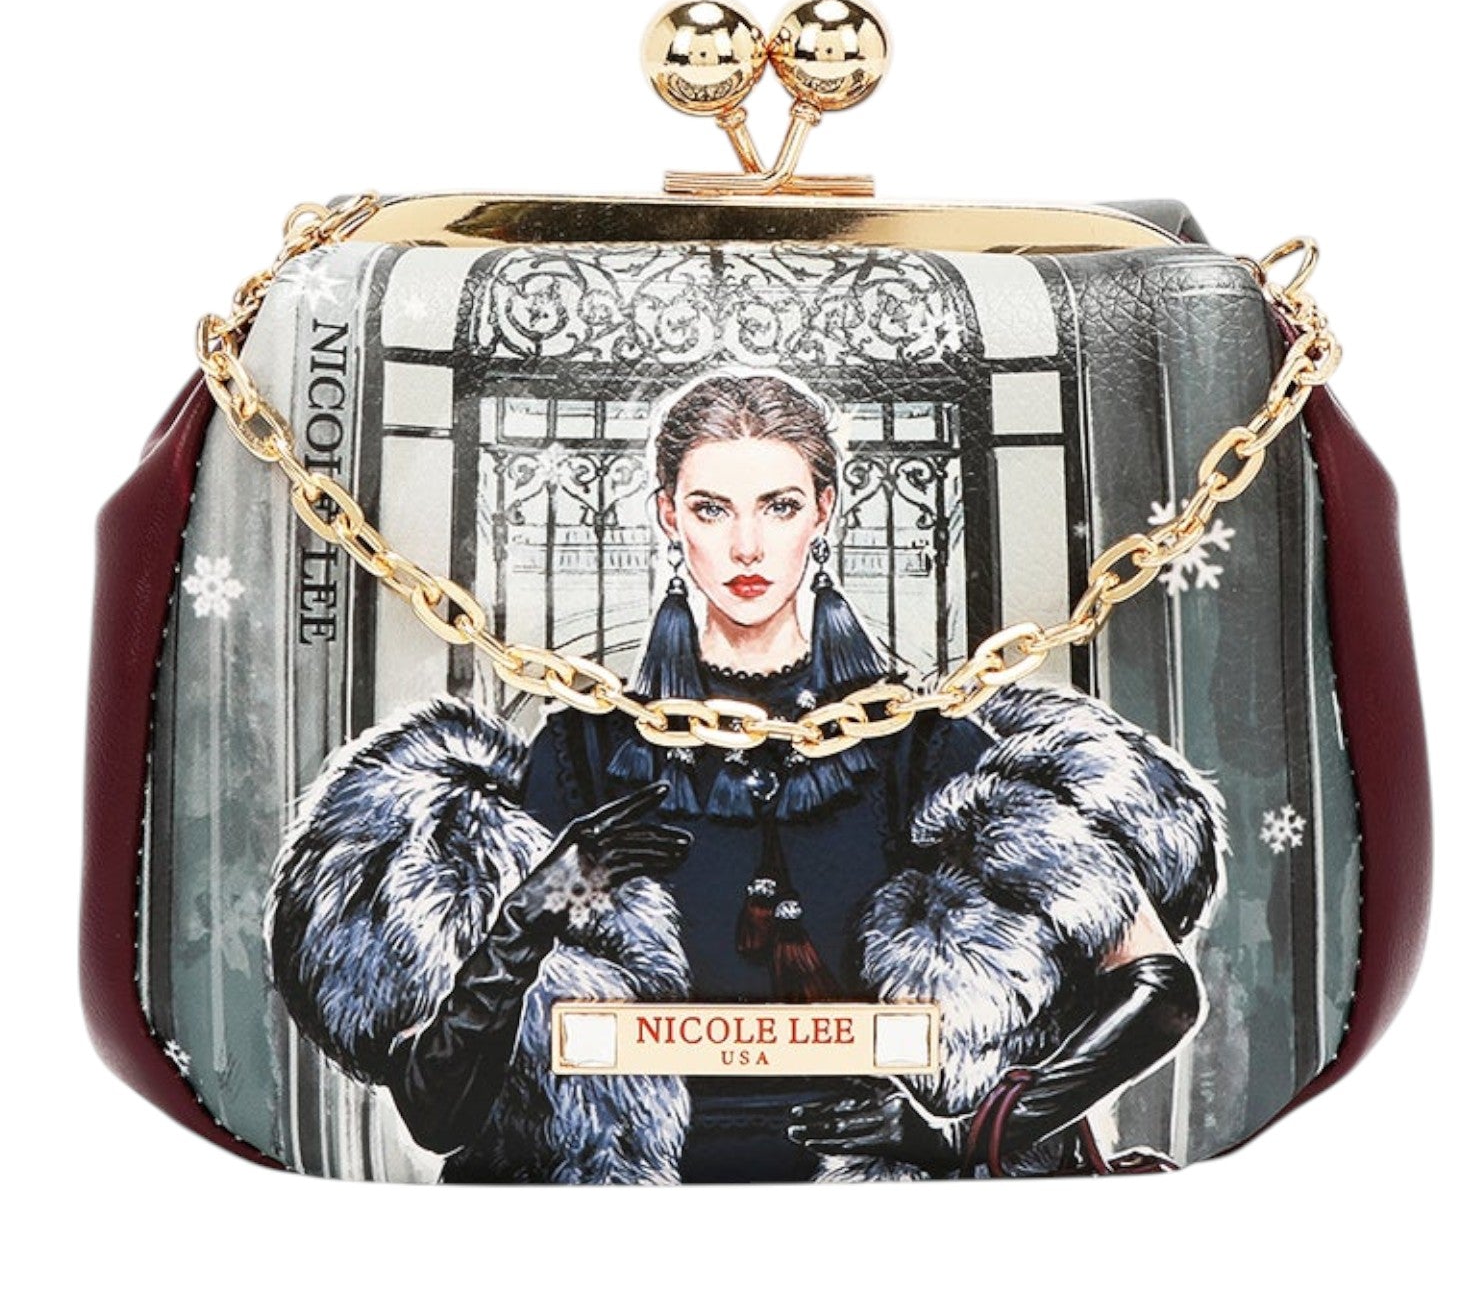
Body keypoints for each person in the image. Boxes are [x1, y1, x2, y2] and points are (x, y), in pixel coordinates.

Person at [267, 372, 1224, 1183]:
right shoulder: (588, 753)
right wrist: (537, 908)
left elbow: (1158, 986)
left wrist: (969, 1131)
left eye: (778, 506)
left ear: (824, 511)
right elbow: (437, 1115)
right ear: (668, 516)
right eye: (711, 509)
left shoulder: (919, 748)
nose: (747, 548)